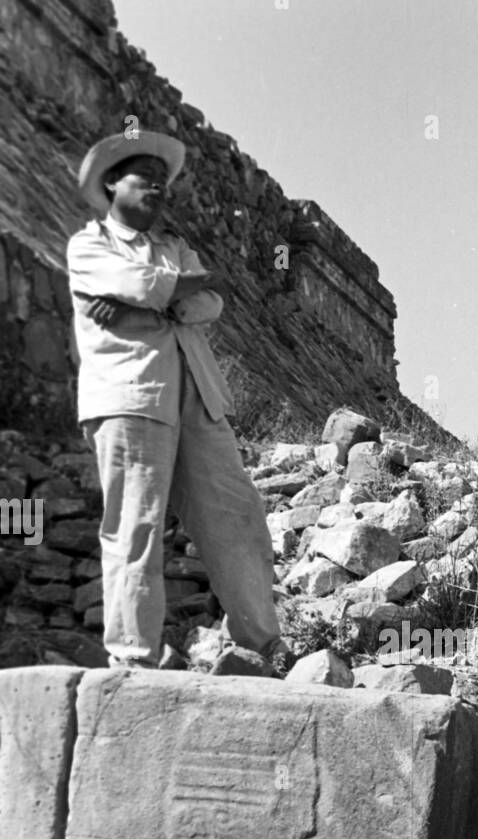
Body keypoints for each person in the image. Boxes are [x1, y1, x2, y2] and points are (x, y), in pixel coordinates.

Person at [67, 130, 290, 674]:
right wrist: (174, 290)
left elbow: (209, 301)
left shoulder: (174, 247)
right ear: (113, 183)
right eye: (147, 181)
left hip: (197, 393)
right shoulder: (89, 245)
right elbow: (140, 282)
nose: (159, 192)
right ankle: (133, 655)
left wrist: (158, 301)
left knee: (236, 514)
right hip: (131, 395)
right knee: (136, 522)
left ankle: (261, 644)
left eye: (164, 185)